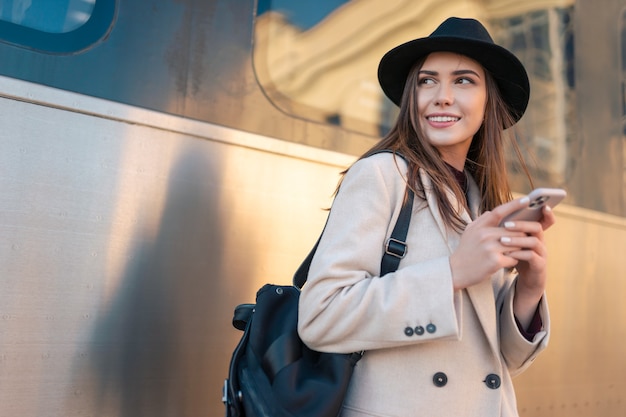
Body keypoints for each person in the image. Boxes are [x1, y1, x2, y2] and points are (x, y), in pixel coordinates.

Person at [298, 17, 555, 417]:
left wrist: (529, 289)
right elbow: (320, 316)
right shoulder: (382, 175)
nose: (442, 96)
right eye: (427, 80)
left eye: (464, 81)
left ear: (491, 101)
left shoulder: (478, 196)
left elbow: (498, 362)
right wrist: (451, 274)